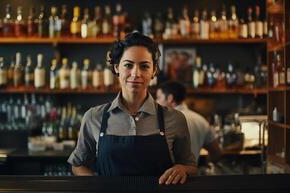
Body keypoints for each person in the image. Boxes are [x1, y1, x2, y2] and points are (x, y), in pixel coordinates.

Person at [68, 32, 198, 184]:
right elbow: (77, 164)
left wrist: (182, 169)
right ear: (116, 67)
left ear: (154, 71)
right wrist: (98, 186)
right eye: (128, 65)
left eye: (144, 66)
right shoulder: (94, 117)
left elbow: (191, 167)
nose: (136, 73)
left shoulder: (175, 119)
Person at [156, 80, 222, 164]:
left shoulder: (164, 120)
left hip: (168, 176)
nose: (156, 102)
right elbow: (216, 152)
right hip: (193, 174)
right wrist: (205, 165)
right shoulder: (200, 120)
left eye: (158, 97)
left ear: (170, 98)